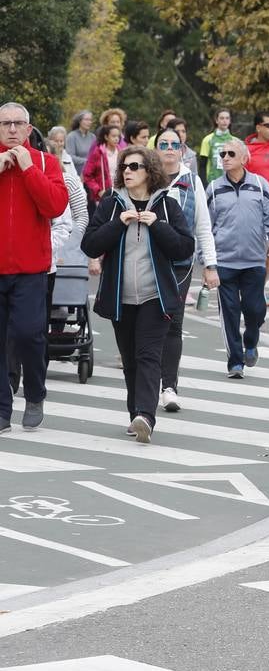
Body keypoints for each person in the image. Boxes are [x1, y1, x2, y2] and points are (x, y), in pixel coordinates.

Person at [81, 145, 194, 443]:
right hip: (121, 298)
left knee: (148, 356)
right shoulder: (111, 205)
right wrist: (118, 224)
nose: (127, 172)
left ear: (149, 172)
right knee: (130, 359)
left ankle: (146, 415)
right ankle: (136, 415)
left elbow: (185, 248)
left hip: (155, 297)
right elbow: (90, 245)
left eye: (134, 167)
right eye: (124, 167)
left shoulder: (167, 206)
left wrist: (158, 227)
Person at [0, 103, 69, 432]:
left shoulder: (46, 162)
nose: (11, 129)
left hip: (30, 270)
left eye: (18, 124)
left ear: (29, 130)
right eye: (5, 124)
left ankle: (35, 392)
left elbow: (55, 205)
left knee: (29, 334)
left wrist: (29, 170)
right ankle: (2, 409)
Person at [154, 125, 219, 412]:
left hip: (180, 265)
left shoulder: (192, 182)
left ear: (182, 150)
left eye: (174, 145)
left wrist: (210, 265)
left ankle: (169, 386)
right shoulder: (143, 177)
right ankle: (148, 380)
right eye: (163, 144)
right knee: (147, 325)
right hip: (145, 263)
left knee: (173, 324)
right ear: (155, 149)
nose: (169, 149)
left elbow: (203, 227)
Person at [207, 138, 269, 378]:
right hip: (224, 263)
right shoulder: (214, 189)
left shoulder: (260, 186)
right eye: (222, 154)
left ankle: (251, 339)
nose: (225, 157)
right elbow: (204, 228)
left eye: (230, 153)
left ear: (244, 158)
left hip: (254, 262)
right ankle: (235, 362)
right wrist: (207, 262)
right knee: (229, 313)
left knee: (255, 310)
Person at [81, 121, 122, 206]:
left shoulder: (121, 152)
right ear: (106, 137)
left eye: (118, 136)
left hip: (120, 193)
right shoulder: (98, 153)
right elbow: (87, 174)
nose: (116, 139)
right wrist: (98, 190)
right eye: (113, 136)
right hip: (103, 195)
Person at [199, 108, 235, 182]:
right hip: (212, 180)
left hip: (231, 181)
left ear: (230, 121)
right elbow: (202, 165)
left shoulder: (235, 141)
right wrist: (204, 183)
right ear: (216, 121)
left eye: (227, 118)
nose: (224, 121)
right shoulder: (208, 139)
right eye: (222, 118)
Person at [66, 110, 96, 175]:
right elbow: (70, 156)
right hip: (76, 174)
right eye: (86, 119)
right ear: (80, 121)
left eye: (90, 120)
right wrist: (87, 161)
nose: (89, 122)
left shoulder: (93, 137)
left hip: (91, 174)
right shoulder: (71, 136)